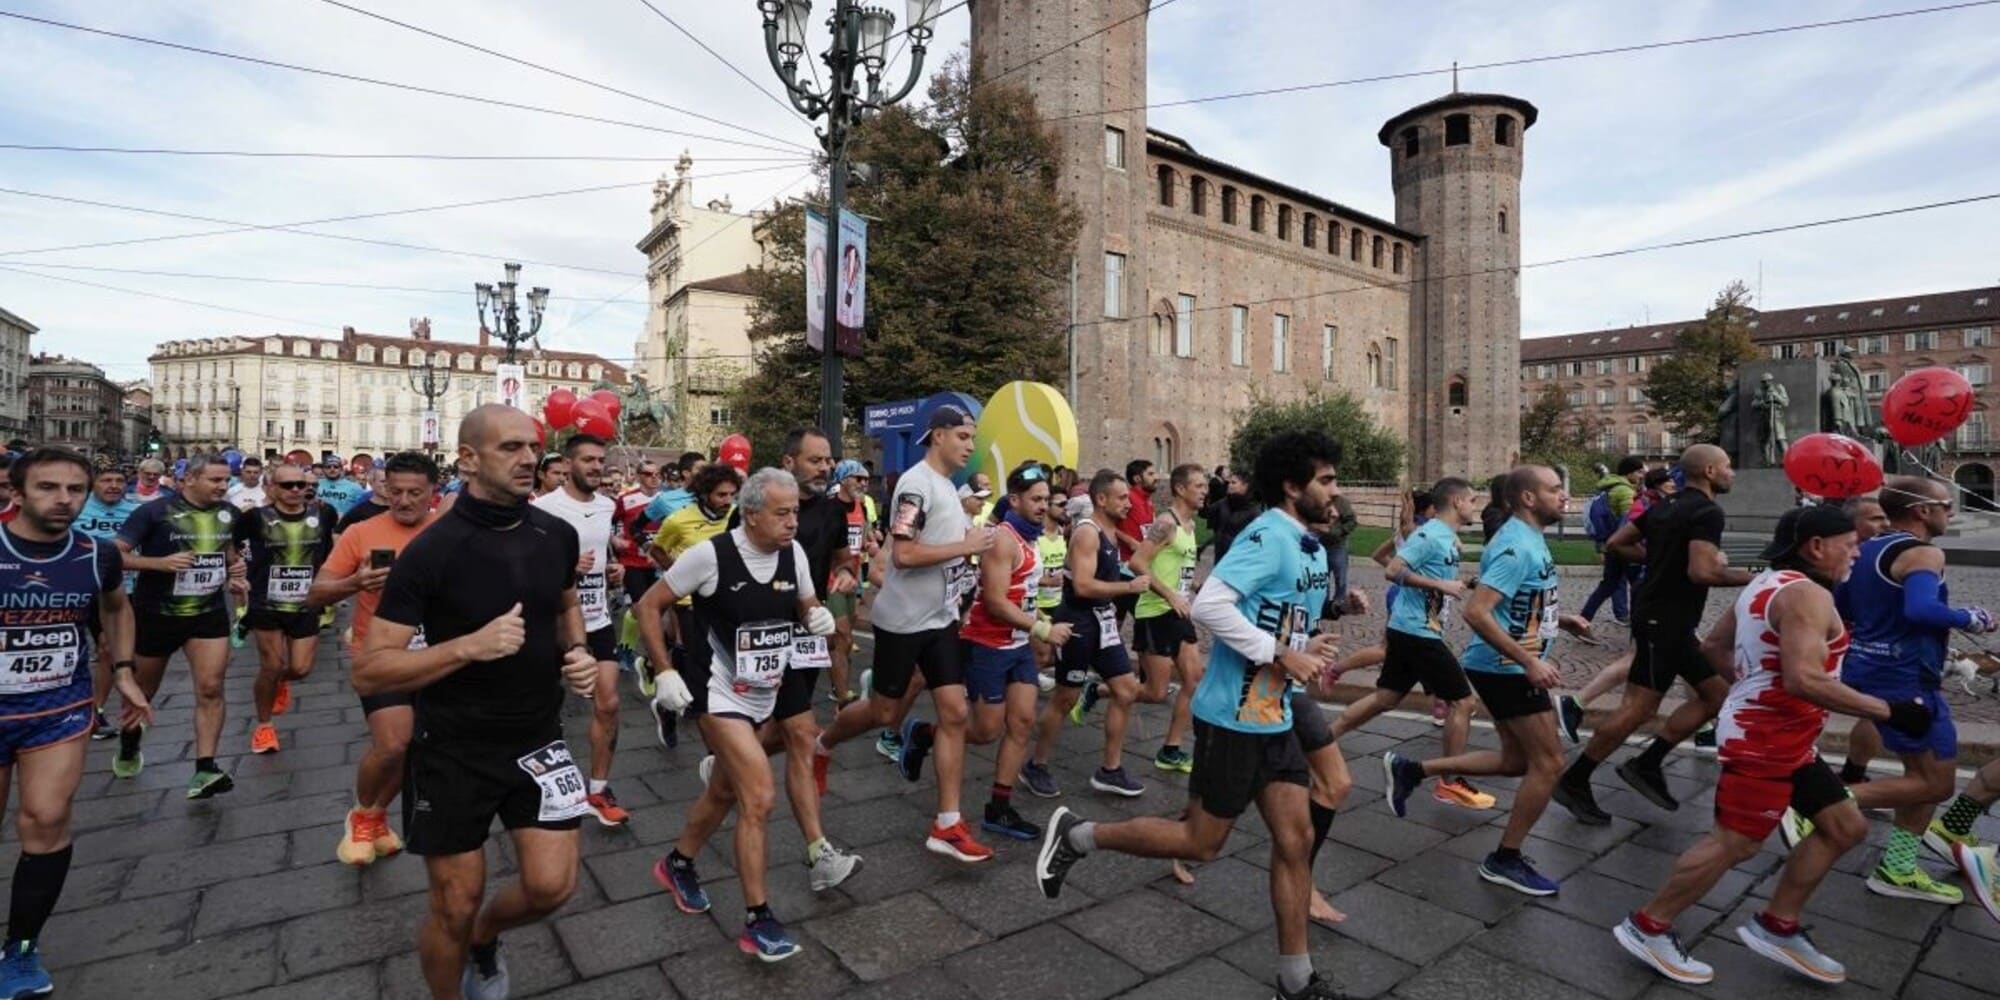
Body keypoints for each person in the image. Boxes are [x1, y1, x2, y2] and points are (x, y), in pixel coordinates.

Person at [1036, 430, 1346, 1000]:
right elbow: (1211, 606)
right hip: (1231, 719)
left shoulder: (1304, 542)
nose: (1335, 490)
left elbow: (1275, 614)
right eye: (1326, 480)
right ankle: (1080, 837)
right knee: (1201, 843)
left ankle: (1296, 979)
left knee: (1295, 840)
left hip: (1273, 716)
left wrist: (1307, 642)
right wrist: (1279, 652)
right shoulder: (1269, 534)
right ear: (1292, 485)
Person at [1612, 504, 1935, 986]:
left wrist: (1751, 687)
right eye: (1851, 545)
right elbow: (1803, 678)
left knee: (1844, 827)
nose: (1858, 553)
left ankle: (1778, 925)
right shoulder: (1808, 596)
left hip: (1788, 739)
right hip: (1765, 741)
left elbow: (1714, 649)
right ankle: (1648, 925)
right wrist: (1886, 710)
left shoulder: (1769, 581)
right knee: (1735, 843)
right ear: (1817, 547)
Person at [353, 406, 598, 1000]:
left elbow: (566, 603)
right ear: (467, 459)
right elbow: (370, 667)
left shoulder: (556, 534)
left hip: (538, 738)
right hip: (453, 747)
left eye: (534, 446)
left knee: (551, 888)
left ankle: (486, 940)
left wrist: (579, 651)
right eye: (511, 447)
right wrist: (468, 646)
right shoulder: (433, 551)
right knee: (454, 906)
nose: (529, 458)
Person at [641, 468, 843, 962]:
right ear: (751, 514)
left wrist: (817, 614)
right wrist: (665, 671)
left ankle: (678, 862)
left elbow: (806, 603)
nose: (793, 522)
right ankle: (759, 920)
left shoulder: (791, 553)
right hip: (719, 689)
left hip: (769, 680)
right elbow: (650, 605)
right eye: (781, 513)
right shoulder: (710, 556)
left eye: (795, 511)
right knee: (758, 796)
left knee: (724, 790)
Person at [1781, 476, 1996, 905]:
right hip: (1907, 679)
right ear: (1922, 510)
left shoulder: (1866, 548)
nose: (1950, 512)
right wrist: (1970, 617)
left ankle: (1897, 867)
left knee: (1920, 776)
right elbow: (1921, 609)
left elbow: (1842, 611)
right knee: (1935, 783)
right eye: (1946, 505)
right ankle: (1820, 802)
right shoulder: (1923, 552)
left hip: (1872, 666)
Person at [1383, 465, 1590, 895]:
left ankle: (1412, 770)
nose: (1564, 496)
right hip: (1507, 667)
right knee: (1548, 764)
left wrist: (1558, 619)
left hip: (1505, 663)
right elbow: (1475, 611)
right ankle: (1505, 859)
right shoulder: (1517, 546)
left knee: (1517, 762)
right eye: (1555, 490)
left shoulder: (1528, 539)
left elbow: (1514, 601)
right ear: (1528, 498)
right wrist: (1529, 662)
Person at [812, 405, 1000, 862]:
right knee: (881, 712)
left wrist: (968, 533)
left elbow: (938, 537)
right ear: (937, 436)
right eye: (963, 437)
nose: (970, 447)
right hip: (902, 621)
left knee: (954, 713)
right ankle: (822, 744)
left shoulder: (945, 488)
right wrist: (967, 545)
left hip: (940, 619)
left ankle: (948, 825)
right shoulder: (914, 485)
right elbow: (905, 556)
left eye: (972, 439)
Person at [0, 449, 152, 999]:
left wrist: (126, 669)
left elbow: (115, 609)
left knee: (46, 817)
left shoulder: (98, 554)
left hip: (57, 710)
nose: (63, 499)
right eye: (47, 487)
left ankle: (20, 951)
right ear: (16, 492)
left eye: (74, 489)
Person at [693, 428, 865, 892]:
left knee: (801, 736)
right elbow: (732, 574)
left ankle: (818, 852)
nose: (826, 468)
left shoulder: (833, 509)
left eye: (829, 461)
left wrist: (847, 574)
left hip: (804, 637)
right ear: (789, 463)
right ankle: (727, 765)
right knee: (772, 741)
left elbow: (843, 557)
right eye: (816, 460)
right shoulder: (747, 514)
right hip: (753, 645)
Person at [1555, 444, 1751, 825]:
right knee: (1638, 708)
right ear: (1709, 471)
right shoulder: (1707, 512)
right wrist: (1759, 578)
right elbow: (1702, 573)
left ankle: (1647, 762)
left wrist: (1660, 556)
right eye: (1728, 466)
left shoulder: (1665, 505)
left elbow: (1617, 544)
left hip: (1661, 616)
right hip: (1668, 620)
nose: (1733, 473)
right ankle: (1577, 779)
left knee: (1715, 697)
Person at [1330, 477, 1494, 808]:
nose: (1475, 506)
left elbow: (1432, 579)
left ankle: (1319, 740)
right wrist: (1438, 583)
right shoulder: (1431, 534)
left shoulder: (1445, 537)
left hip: (1412, 628)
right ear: (1457, 502)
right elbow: (1392, 569)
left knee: (1386, 698)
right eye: (1472, 500)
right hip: (1417, 632)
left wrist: (1460, 583)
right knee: (1462, 703)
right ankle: (1449, 782)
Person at [311, 451, 440, 866]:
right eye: (395, 491)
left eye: (414, 493)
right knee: (392, 743)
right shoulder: (362, 532)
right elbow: (317, 593)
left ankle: (376, 816)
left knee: (416, 751)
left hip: (436, 658)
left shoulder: (446, 533)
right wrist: (355, 582)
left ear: (432, 493)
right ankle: (362, 814)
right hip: (379, 657)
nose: (403, 501)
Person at [113, 452, 246, 797]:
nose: (223, 485)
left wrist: (236, 573)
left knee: (211, 688)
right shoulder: (154, 512)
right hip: (157, 614)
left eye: (225, 479)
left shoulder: (229, 513)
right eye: (215, 480)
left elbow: (228, 553)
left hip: (208, 614)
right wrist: (158, 563)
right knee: (144, 693)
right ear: (189, 480)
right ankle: (129, 741)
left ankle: (205, 768)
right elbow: (114, 556)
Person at [949, 463, 1067, 842]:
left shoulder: (1031, 537)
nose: (1042, 506)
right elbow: (997, 603)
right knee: (985, 730)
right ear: (1013, 500)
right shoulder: (1003, 539)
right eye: (1035, 499)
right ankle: (926, 736)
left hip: (1017, 647)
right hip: (987, 644)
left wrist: (1037, 624)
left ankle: (999, 808)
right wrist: (1042, 628)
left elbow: (1023, 595)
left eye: (1046, 499)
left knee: (1021, 724)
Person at [1030, 470, 1152, 797]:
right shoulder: (1088, 533)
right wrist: (1127, 585)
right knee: (1065, 696)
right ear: (1101, 499)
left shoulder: (1112, 533)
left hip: (1103, 622)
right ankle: (1036, 764)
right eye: (1122, 497)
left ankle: (1109, 770)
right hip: (1078, 623)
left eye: (1128, 497)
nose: (1128, 503)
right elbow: (1083, 586)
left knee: (1126, 690)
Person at [530, 435, 631, 827]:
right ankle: (544, 786)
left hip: (598, 618)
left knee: (608, 704)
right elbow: (529, 570)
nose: (595, 467)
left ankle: (598, 789)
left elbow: (604, 549)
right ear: (567, 464)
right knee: (543, 710)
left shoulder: (607, 505)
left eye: (600, 460)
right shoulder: (543, 508)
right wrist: (568, 571)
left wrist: (614, 568)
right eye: (587, 460)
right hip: (552, 623)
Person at [233, 460, 336, 754]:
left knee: (301, 668)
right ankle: (264, 727)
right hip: (266, 601)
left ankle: (279, 682)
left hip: (306, 602)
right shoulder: (254, 517)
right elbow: (229, 542)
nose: (295, 490)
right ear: (271, 488)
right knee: (272, 664)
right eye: (287, 485)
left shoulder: (323, 513)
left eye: (301, 485)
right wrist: (236, 569)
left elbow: (331, 549)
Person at [644, 463, 741, 749]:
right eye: (721, 495)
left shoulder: (737, 518)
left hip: (726, 600)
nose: (727, 501)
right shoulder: (679, 520)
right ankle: (709, 744)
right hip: (689, 603)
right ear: (704, 493)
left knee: (721, 664)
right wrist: (679, 577)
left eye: (732, 495)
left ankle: (680, 704)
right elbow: (657, 549)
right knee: (699, 664)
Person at [1130, 463, 1209, 774]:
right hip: (1155, 612)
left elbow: (1177, 571)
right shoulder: (1166, 523)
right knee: (1155, 692)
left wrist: (1193, 588)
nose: (1205, 491)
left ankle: (1171, 749)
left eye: (1205, 486)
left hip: (1178, 612)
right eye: (1199, 486)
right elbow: (1138, 562)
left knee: (1194, 679)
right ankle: (1101, 689)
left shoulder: (1190, 527)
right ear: (1180, 489)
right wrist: (1169, 594)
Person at [76, 466, 142, 740]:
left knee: (108, 649)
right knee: (92, 649)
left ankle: (96, 709)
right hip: (84, 589)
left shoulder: (136, 512)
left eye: (119, 481)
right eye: (106, 480)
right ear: (94, 484)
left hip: (126, 589)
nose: (114, 485)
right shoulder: (77, 510)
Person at [1833, 494, 1890, 784]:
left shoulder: (1883, 552)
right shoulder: (1840, 554)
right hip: (1843, 641)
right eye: (1876, 518)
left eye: (1885, 517)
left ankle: (1853, 773)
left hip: (1863, 641)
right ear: (1852, 523)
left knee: (1873, 709)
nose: (1885, 523)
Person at [826, 460, 875, 704]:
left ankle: (836, 679)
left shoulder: (861, 506)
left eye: (866, 479)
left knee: (844, 639)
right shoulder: (830, 507)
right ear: (843, 479)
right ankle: (841, 694)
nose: (864, 484)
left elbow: (862, 538)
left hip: (852, 578)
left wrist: (871, 543)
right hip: (832, 579)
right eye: (858, 478)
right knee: (842, 634)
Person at [613, 460, 663, 693]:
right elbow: (607, 522)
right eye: (648, 474)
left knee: (652, 610)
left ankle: (635, 650)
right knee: (640, 606)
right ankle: (629, 650)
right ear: (638, 476)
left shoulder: (666, 500)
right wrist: (614, 540)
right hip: (632, 561)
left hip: (659, 562)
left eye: (657, 474)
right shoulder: (626, 499)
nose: (654, 478)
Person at [1578, 455, 1645, 626]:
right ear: (1629, 472)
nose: (1641, 475)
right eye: (1638, 471)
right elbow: (1629, 523)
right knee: (1639, 583)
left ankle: (1584, 618)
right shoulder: (1625, 491)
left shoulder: (1607, 488)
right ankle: (1641, 621)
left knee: (1609, 584)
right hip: (1624, 546)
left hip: (1610, 544)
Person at [1204, 468, 1260, 562]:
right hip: (1220, 559)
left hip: (1239, 561)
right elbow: (1206, 512)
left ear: (1245, 486)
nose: (1229, 485)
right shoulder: (1223, 503)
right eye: (1229, 482)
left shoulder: (1253, 511)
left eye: (1233, 483)